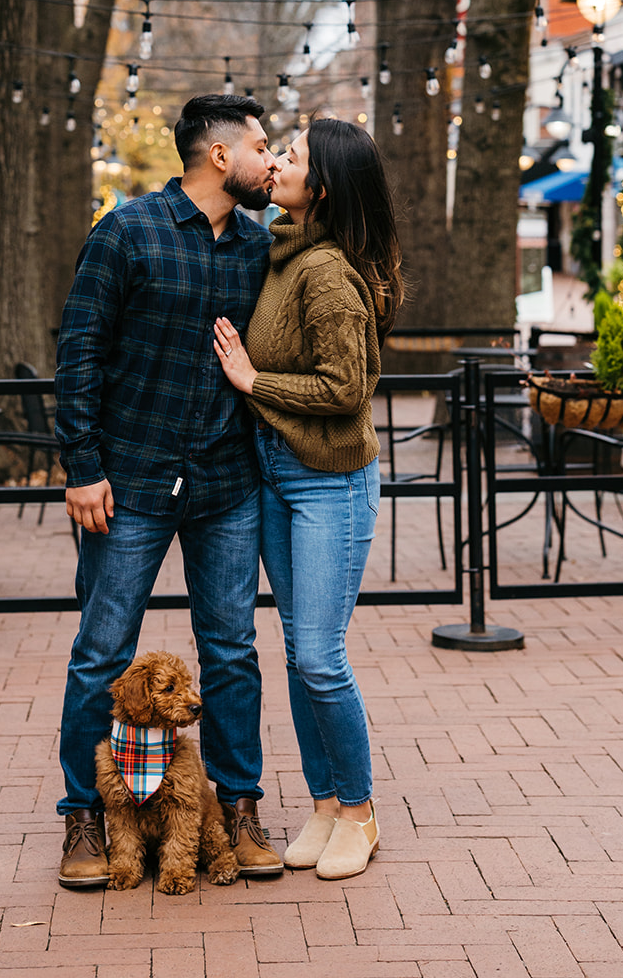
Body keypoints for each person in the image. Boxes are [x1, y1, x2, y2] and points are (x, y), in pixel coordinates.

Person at [54, 94, 284, 888]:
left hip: (226, 482)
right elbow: (79, 349)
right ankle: (83, 818)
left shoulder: (261, 248)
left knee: (231, 653)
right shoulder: (127, 231)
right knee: (102, 653)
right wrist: (82, 464)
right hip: (131, 482)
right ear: (221, 156)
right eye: (262, 146)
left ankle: (238, 809)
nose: (271, 158)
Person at [214, 118, 403, 881]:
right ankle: (324, 804)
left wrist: (255, 383)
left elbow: (347, 388)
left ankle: (359, 812)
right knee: (298, 656)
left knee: (321, 657)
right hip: (279, 475)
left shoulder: (325, 272)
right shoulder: (283, 251)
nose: (278, 164)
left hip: (331, 484)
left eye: (290, 157)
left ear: (319, 186)